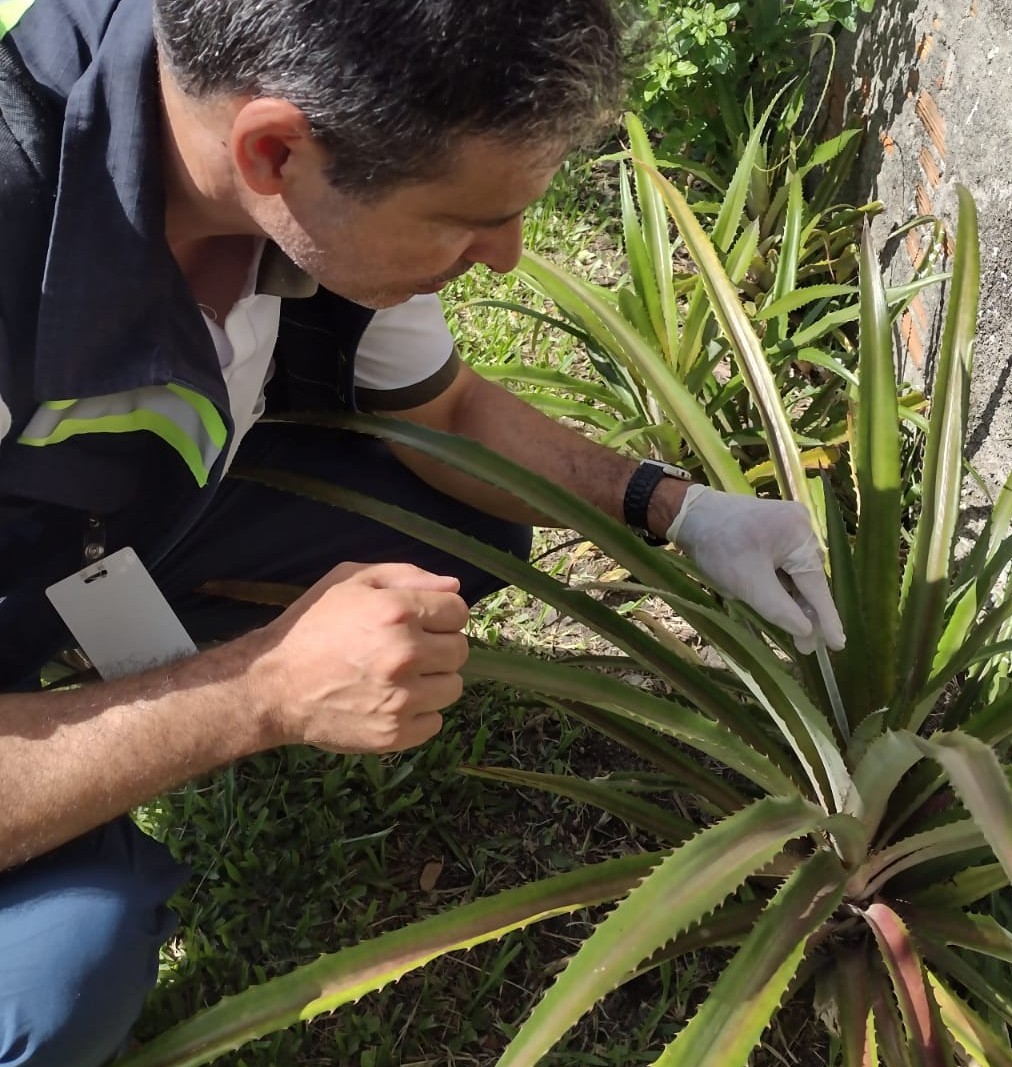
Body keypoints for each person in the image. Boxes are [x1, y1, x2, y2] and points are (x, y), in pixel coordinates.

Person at [0, 0, 846, 1062]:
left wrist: (679, 509)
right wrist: (261, 689)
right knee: (63, 971)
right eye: (466, 219)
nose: (504, 258)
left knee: (446, 527)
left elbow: (442, 418)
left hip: (103, 526)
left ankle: (96, 667)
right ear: (273, 150)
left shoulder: (311, 160)